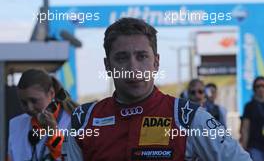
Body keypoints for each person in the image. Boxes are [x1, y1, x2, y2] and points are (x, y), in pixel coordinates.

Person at [63, 18, 251, 161]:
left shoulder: (188, 117)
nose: (133, 68)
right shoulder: (83, 120)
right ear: (107, 65)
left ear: (156, 62)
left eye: (142, 56)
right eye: (121, 58)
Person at [7, 69, 78, 161]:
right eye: (23, 102)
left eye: (34, 101)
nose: (29, 108)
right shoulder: (16, 124)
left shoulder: (74, 122)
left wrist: (54, 134)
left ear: (51, 93)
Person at [241, 76, 264, 161]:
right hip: (255, 146)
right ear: (254, 89)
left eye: (263, 85)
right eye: (258, 86)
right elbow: (245, 128)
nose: (261, 88)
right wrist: (244, 148)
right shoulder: (249, 106)